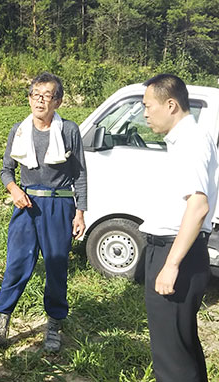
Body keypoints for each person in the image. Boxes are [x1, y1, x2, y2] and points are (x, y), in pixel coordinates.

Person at [0, 72, 87, 352]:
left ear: (58, 101)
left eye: (46, 95)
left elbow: (80, 175)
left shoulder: (69, 130)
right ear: (29, 98)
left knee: (56, 266)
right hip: (26, 205)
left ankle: (53, 327)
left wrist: (80, 212)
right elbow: (6, 170)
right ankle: (0, 326)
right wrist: (13, 189)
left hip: (59, 205)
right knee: (16, 264)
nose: (40, 100)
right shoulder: (19, 130)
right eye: (35, 94)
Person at [139, 74, 218, 382]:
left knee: (172, 360)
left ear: (170, 104)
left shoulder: (191, 142)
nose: (145, 114)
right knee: (181, 348)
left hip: (176, 254)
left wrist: (171, 264)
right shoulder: (187, 139)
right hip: (174, 251)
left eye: (148, 106)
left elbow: (198, 207)